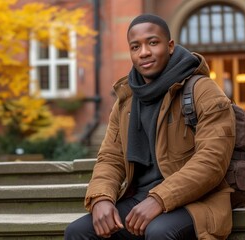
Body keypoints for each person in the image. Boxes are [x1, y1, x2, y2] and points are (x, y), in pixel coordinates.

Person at [65, 14, 235, 240]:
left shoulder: (202, 91)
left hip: (199, 201)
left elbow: (211, 161)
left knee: (158, 232)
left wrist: (159, 198)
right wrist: (101, 198)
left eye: (152, 43)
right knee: (78, 232)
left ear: (170, 46)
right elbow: (110, 158)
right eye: (135, 46)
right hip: (141, 199)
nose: (143, 52)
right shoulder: (126, 101)